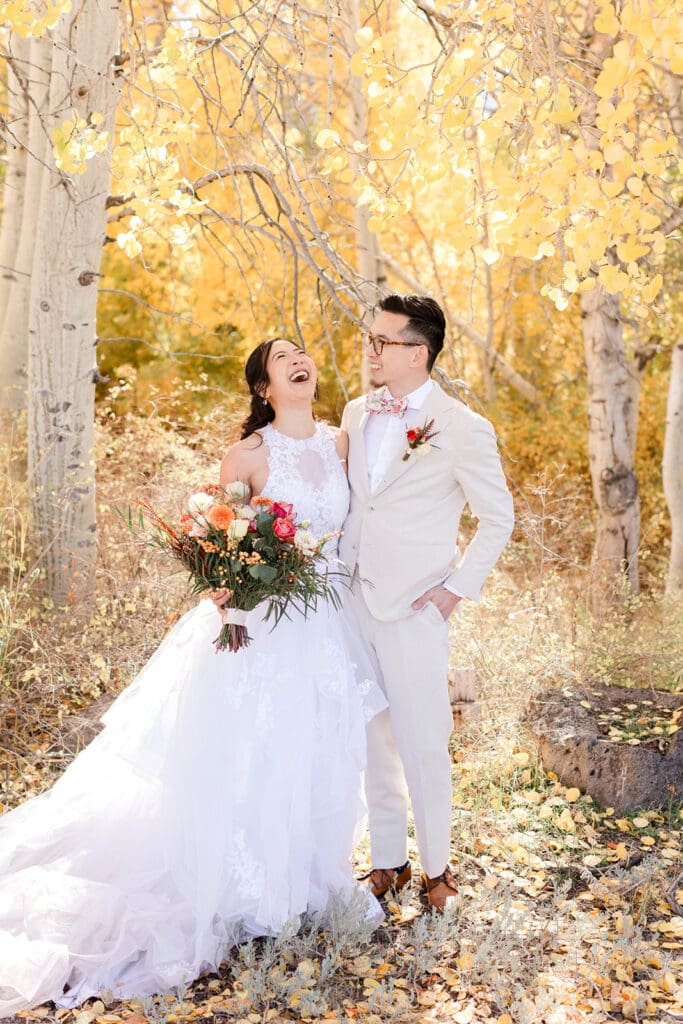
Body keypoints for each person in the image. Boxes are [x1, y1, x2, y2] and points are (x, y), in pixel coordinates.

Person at [0, 338, 386, 1016]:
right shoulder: (249, 454)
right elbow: (216, 538)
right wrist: (229, 583)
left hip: (327, 620)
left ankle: (302, 880)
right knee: (247, 750)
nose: (300, 362)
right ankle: (241, 886)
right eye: (282, 358)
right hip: (261, 621)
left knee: (316, 746)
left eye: (304, 354)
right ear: (263, 386)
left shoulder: (341, 442)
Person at [341, 294, 514, 912]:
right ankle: (388, 861)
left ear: (418, 352)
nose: (371, 349)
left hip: (417, 608)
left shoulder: (464, 427)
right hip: (351, 601)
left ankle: (439, 871)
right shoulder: (357, 412)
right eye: (371, 339)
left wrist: (454, 590)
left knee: (422, 740)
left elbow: (499, 518)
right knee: (371, 739)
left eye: (382, 341)